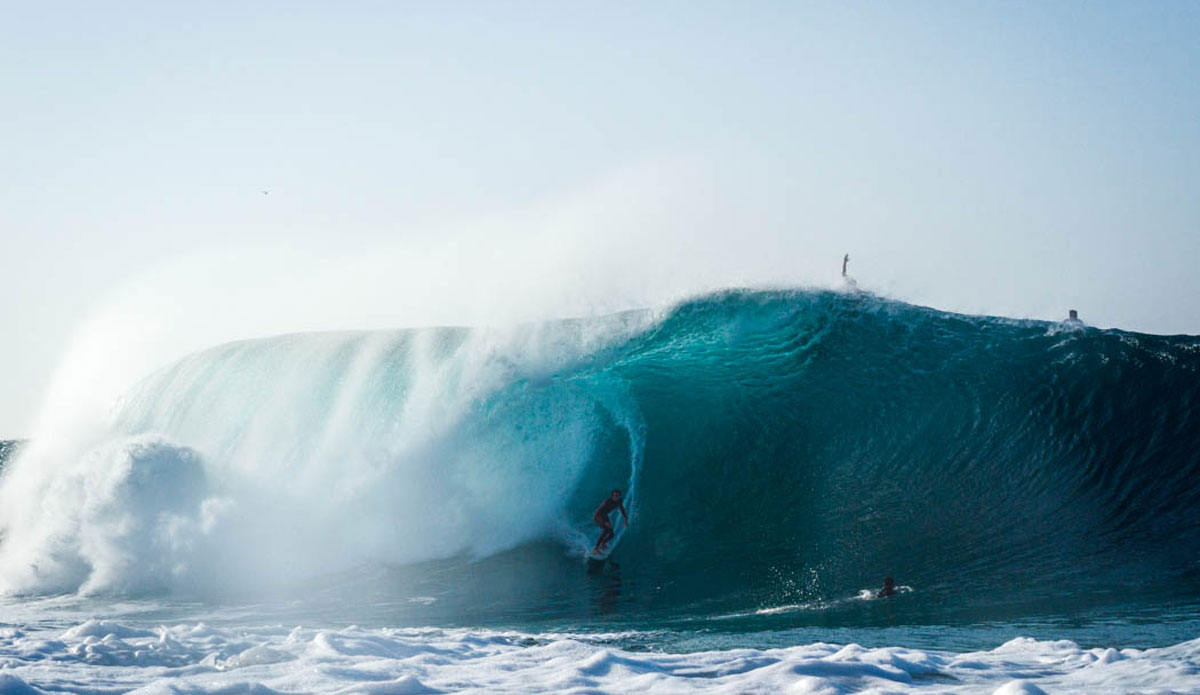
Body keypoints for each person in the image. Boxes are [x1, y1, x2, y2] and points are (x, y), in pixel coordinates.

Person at [592, 489, 629, 554]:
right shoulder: (607, 502)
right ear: (612, 496)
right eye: (615, 495)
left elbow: (622, 510)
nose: (616, 497)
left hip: (605, 515)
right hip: (598, 516)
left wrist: (625, 519)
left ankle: (603, 543)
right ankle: (596, 548)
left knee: (612, 534)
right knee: (606, 530)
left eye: (618, 496)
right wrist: (605, 522)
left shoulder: (619, 501)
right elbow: (600, 512)